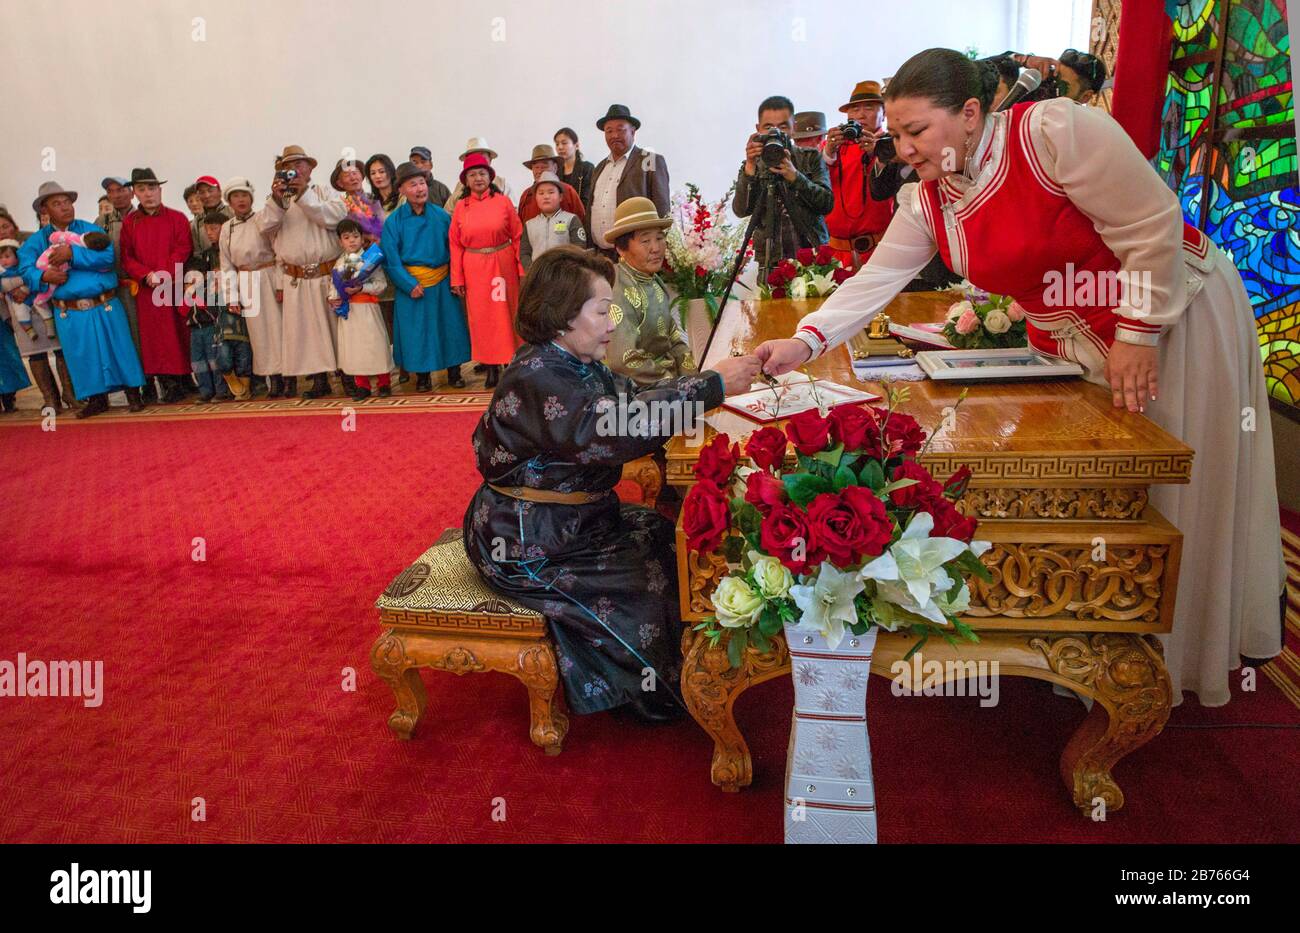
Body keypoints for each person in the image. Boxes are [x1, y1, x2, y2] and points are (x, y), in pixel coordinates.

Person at [754, 47, 1285, 709]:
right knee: (1122, 492)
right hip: (1084, 345)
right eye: (898, 134)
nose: (906, 148)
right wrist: (803, 341)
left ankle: (1173, 654)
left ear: (971, 113)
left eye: (918, 131)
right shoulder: (929, 201)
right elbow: (874, 282)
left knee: (1174, 482)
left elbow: (1153, 223)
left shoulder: (1056, 133)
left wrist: (1139, 332)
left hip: (1174, 314)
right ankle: (1107, 640)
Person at [462, 246, 761, 722]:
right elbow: (615, 427)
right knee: (643, 587)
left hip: (569, 524)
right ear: (562, 317)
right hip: (526, 542)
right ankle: (657, 692)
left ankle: (679, 668)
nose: (611, 324)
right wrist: (710, 387)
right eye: (602, 311)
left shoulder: (572, 364)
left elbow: (633, 397)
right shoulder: (539, 376)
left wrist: (705, 381)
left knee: (664, 537)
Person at [16, 182, 145, 418]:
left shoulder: (89, 229)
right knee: (82, 355)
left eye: (67, 202)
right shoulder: (36, 241)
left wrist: (72, 254)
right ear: (44, 210)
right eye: (57, 204)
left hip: (104, 303)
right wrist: (43, 275)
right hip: (69, 310)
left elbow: (107, 256)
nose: (65, 208)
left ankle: (133, 394)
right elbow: (24, 267)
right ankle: (96, 399)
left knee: (119, 349)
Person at [259, 144, 348, 399]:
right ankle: (319, 380)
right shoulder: (277, 201)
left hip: (327, 273)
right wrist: (278, 199)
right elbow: (264, 227)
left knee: (337, 330)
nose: (295, 170)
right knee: (306, 333)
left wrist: (302, 195)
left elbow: (333, 218)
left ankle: (349, 377)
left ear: (310, 168)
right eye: (288, 167)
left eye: (300, 165)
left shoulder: (324, 191)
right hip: (296, 277)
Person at [381, 161, 471, 391]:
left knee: (449, 328)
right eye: (413, 184)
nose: (420, 189)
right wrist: (408, 283)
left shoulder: (442, 217)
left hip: (442, 281)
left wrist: (455, 279)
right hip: (413, 285)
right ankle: (422, 377)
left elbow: (454, 250)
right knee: (417, 332)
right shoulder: (393, 222)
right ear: (401, 189)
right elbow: (391, 259)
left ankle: (454, 373)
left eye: (422, 183)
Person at [732, 95, 833, 279]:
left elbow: (826, 203)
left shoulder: (810, 158)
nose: (776, 133)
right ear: (758, 130)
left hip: (812, 256)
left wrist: (795, 176)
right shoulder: (753, 165)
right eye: (768, 127)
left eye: (783, 127)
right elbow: (740, 210)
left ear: (794, 127)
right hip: (771, 262)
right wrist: (749, 166)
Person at [119, 167, 194, 404]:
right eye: (142, 189)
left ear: (160, 190)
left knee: (181, 332)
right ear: (134, 193)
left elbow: (183, 248)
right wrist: (146, 275)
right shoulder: (129, 223)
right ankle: (168, 383)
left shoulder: (177, 218)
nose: (148, 193)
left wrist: (165, 273)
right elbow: (127, 256)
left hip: (174, 284)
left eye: (152, 188)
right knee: (156, 339)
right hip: (147, 289)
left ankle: (187, 379)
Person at [449, 152, 523, 389]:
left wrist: (520, 268)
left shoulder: (503, 202)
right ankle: (490, 367)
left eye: (482, 173)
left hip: (503, 263)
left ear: (490, 176)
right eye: (473, 174)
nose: (478, 178)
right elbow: (455, 244)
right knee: (482, 317)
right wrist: (457, 277)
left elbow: (518, 235)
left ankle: (511, 363)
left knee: (506, 312)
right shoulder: (461, 207)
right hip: (474, 266)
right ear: (466, 180)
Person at [603, 197, 694, 386]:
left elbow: (673, 339)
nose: (656, 248)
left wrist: (693, 379)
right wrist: (674, 383)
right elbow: (623, 360)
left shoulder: (654, 281)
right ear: (621, 248)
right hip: (637, 394)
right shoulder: (618, 288)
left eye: (660, 238)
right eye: (645, 240)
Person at [219, 176, 285, 397]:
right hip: (246, 281)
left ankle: (286, 378)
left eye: (244, 195)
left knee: (279, 329)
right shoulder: (227, 228)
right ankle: (270, 378)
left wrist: (280, 283)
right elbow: (226, 264)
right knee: (259, 335)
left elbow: (278, 251)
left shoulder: (262, 219)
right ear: (229, 201)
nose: (241, 200)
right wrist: (232, 297)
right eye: (236, 196)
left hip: (268, 274)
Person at [823, 81, 896, 272]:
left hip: (880, 250)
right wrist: (828, 152)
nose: (860, 115)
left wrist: (877, 153)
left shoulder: (891, 144)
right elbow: (817, 188)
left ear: (884, 113)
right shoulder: (834, 145)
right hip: (836, 253)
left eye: (869, 108)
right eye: (854, 109)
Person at [0, 237, 76, 411]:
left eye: (6, 226)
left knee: (60, 350)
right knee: (35, 355)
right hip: (20, 316)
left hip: (44, 304)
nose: (3, 230)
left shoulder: (31, 247)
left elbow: (42, 271)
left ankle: (70, 394)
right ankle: (51, 399)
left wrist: (25, 288)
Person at [588, 104, 671, 257]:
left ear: (633, 131)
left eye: (620, 129)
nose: (614, 135)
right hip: (600, 255)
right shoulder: (599, 167)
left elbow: (662, 210)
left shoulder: (650, 160)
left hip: (635, 255)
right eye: (609, 131)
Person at [95, 175, 148, 402]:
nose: (116, 195)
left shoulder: (143, 216)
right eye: (111, 192)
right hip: (118, 290)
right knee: (127, 339)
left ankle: (164, 381)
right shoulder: (101, 223)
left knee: (149, 337)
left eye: (120, 190)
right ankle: (138, 386)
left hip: (148, 285)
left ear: (131, 192)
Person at [329, 218, 393, 399]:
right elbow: (333, 284)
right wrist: (332, 298)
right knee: (354, 348)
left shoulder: (370, 259)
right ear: (340, 241)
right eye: (347, 237)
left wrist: (362, 288)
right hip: (350, 312)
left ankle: (384, 382)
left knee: (376, 345)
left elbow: (381, 285)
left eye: (356, 236)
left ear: (362, 238)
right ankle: (362, 385)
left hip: (368, 309)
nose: (352, 241)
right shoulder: (340, 263)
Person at [181, 214, 233, 403]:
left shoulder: (209, 292)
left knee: (215, 360)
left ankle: (222, 390)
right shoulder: (187, 293)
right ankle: (205, 391)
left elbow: (213, 309)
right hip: (195, 330)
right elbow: (182, 310)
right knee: (198, 363)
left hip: (211, 327)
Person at [520, 172, 587, 270]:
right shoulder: (529, 225)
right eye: (541, 193)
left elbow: (579, 248)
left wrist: (566, 269)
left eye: (551, 192)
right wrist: (532, 271)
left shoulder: (571, 220)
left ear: (560, 197)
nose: (546, 196)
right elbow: (524, 253)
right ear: (536, 198)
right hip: (538, 277)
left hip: (566, 275)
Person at [517, 144, 586, 223]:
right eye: (536, 167)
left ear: (555, 168)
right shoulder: (526, 195)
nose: (539, 171)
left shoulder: (568, 191)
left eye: (544, 167)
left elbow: (581, 223)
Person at [443, 137, 513, 209]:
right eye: (473, 157)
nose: (478, 160)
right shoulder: (460, 186)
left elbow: (512, 211)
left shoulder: (502, 184)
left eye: (482, 156)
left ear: (490, 159)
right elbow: (448, 213)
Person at [330, 159, 384, 242]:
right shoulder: (340, 206)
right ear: (340, 183)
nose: (353, 178)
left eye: (355, 173)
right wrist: (365, 237)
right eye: (347, 175)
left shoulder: (376, 197)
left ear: (362, 176)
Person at [554, 126, 595, 213]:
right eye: (557, 144)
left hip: (581, 218)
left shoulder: (587, 168)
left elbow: (588, 199)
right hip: (559, 220)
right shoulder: (555, 171)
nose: (560, 147)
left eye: (564, 143)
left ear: (576, 146)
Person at [190, 176, 231, 253]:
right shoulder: (196, 222)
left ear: (220, 192)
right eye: (202, 192)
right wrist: (179, 265)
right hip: (209, 263)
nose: (207, 195)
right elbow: (197, 253)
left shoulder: (233, 212)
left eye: (210, 190)